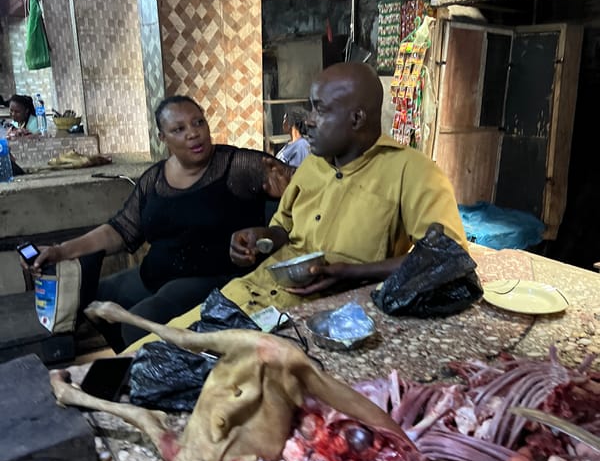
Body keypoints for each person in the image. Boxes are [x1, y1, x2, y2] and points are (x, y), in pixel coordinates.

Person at [140, 63, 467, 340]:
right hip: (252, 292)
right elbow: (283, 228)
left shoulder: (412, 171)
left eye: (319, 109)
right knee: (155, 346)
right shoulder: (314, 163)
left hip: (323, 316)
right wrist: (260, 238)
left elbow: (446, 259)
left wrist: (350, 273)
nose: (307, 120)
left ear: (356, 119)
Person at [30, 95, 293, 350]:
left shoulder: (238, 165)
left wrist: (285, 188)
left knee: (138, 324)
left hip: (215, 276)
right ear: (162, 138)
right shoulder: (153, 179)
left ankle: (154, 366)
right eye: (178, 129)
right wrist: (61, 250)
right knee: (92, 301)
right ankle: (140, 363)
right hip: (156, 274)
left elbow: (301, 187)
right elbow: (120, 230)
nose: (193, 133)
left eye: (198, 122)